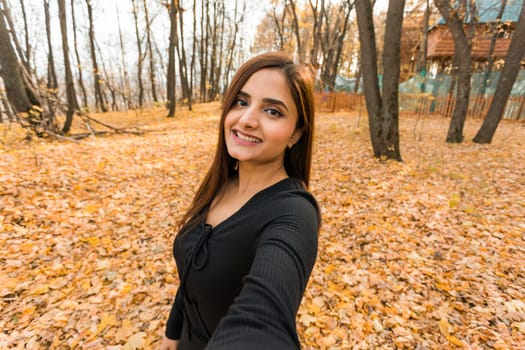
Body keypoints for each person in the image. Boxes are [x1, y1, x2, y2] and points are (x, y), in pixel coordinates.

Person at [159, 51, 321, 350]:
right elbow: (192, 270)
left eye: (273, 111)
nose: (246, 120)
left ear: (296, 133)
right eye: (241, 102)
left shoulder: (294, 213)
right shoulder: (220, 186)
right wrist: (174, 329)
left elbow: (264, 320)